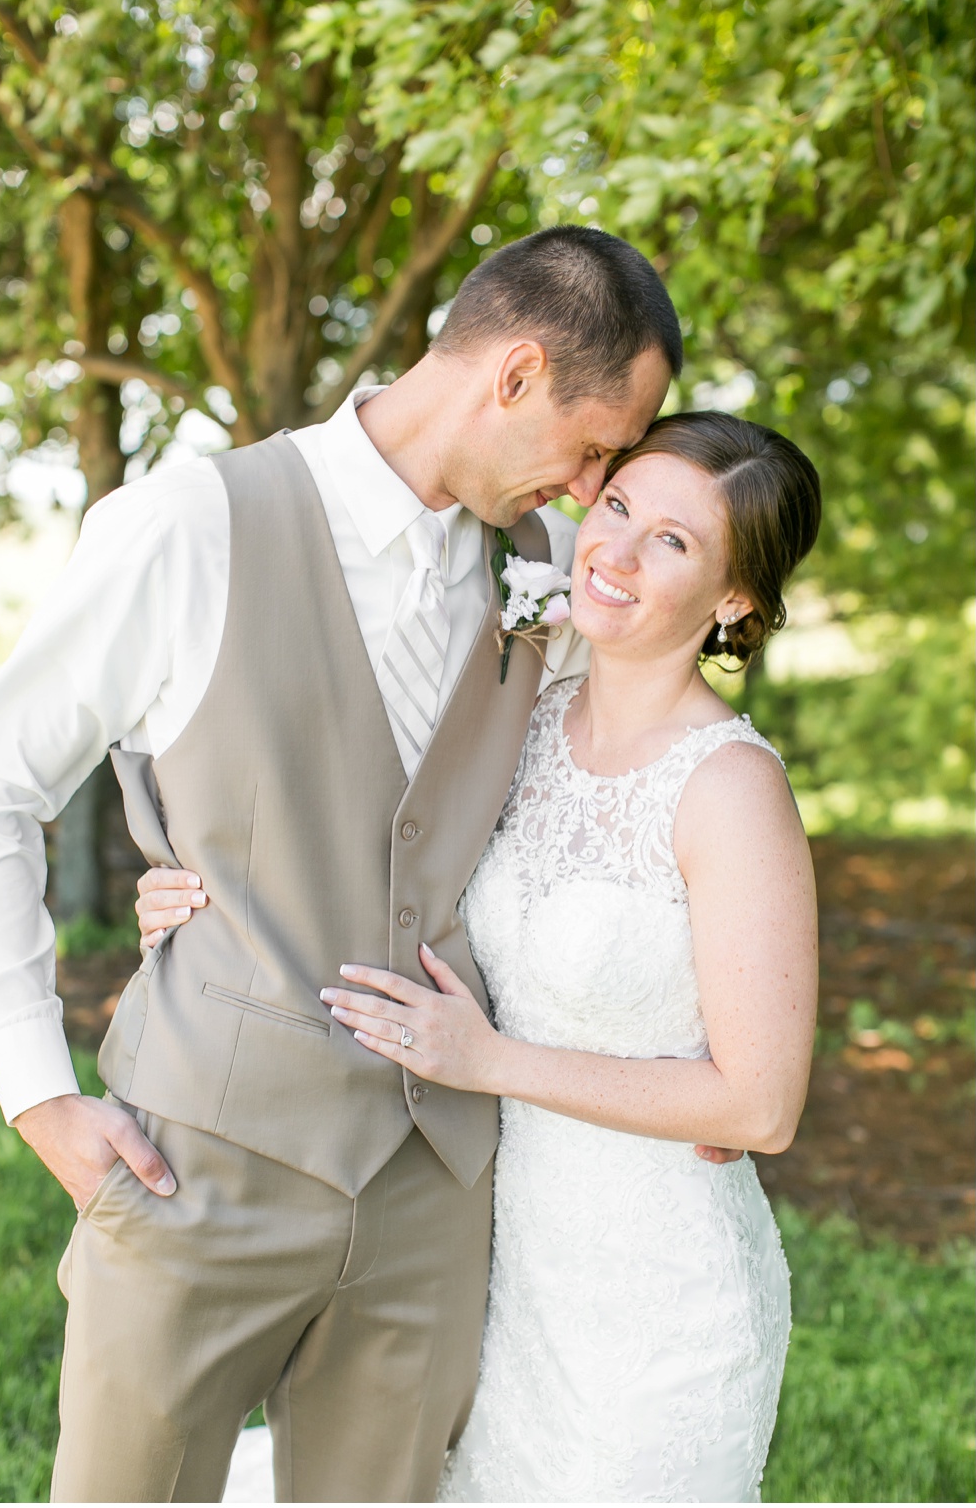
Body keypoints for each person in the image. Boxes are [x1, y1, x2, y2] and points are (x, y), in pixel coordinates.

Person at [0, 225, 693, 1502]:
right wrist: (35, 1090)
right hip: (199, 1167)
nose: (590, 492)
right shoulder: (191, 524)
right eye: (591, 448)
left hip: (434, 1193)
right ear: (513, 374)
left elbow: (593, 802)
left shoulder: (538, 576)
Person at [145, 413, 822, 1501]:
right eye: (616, 509)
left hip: (650, 1301)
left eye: (675, 544)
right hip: (492, 1269)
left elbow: (757, 1107)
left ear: (734, 601)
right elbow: (376, 856)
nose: (615, 551)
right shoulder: (528, 707)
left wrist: (488, 1059)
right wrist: (200, 892)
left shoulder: (730, 789)